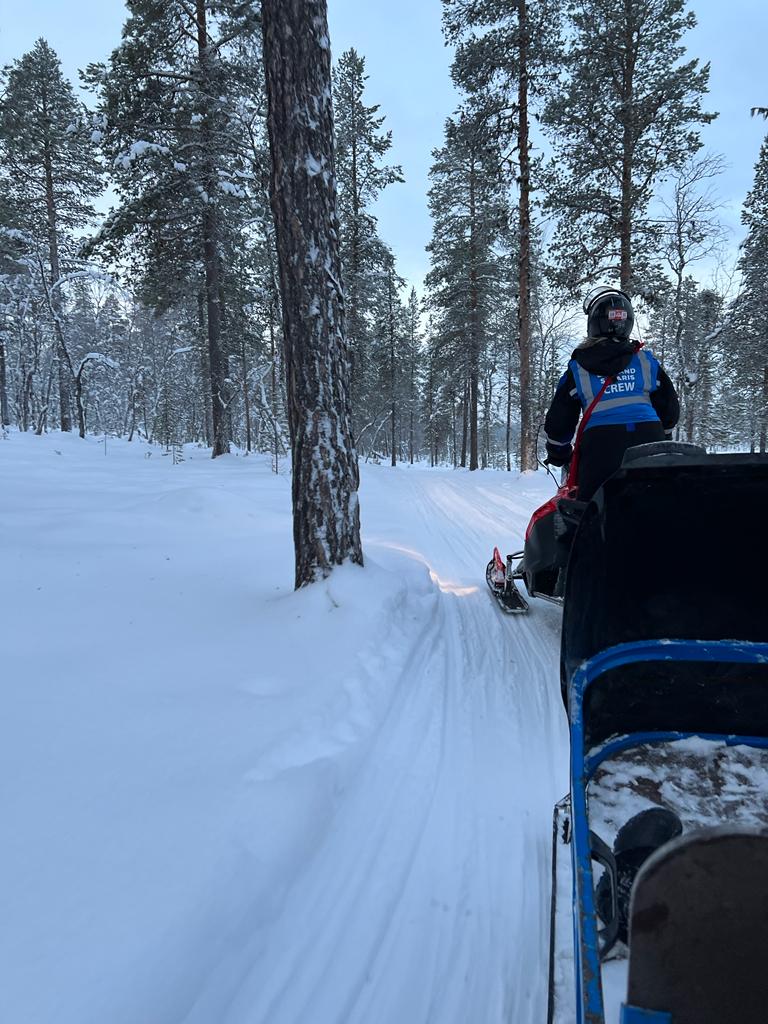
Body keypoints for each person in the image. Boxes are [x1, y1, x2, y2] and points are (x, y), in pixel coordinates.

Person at [544, 286, 680, 501]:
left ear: (593, 322)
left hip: (600, 448)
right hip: (648, 442)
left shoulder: (578, 368)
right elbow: (669, 407)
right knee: (656, 503)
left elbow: (559, 420)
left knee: (591, 512)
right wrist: (663, 435)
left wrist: (558, 452)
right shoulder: (646, 361)